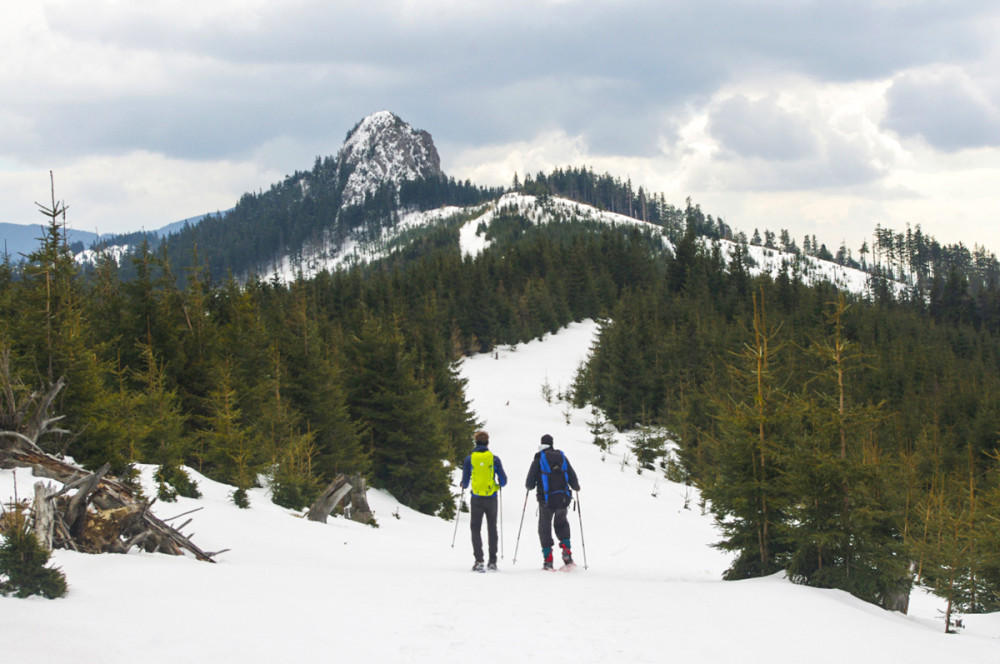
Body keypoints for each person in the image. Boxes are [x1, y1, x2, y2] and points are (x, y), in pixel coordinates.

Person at [525, 433, 580, 570]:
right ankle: (567, 552)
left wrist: (530, 487)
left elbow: (529, 483)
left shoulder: (539, 458)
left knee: (545, 527)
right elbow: (572, 475)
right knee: (561, 524)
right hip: (562, 499)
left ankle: (548, 560)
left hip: (546, 500)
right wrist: (576, 487)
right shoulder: (562, 457)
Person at [460, 431, 508, 572]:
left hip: (476, 498)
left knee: (475, 528)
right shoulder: (494, 459)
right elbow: (504, 481)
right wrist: (497, 485)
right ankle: (492, 561)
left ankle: (479, 560)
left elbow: (466, 481)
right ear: (487, 442)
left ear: (476, 442)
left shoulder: (470, 459)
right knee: (492, 528)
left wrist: (464, 484)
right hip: (491, 497)